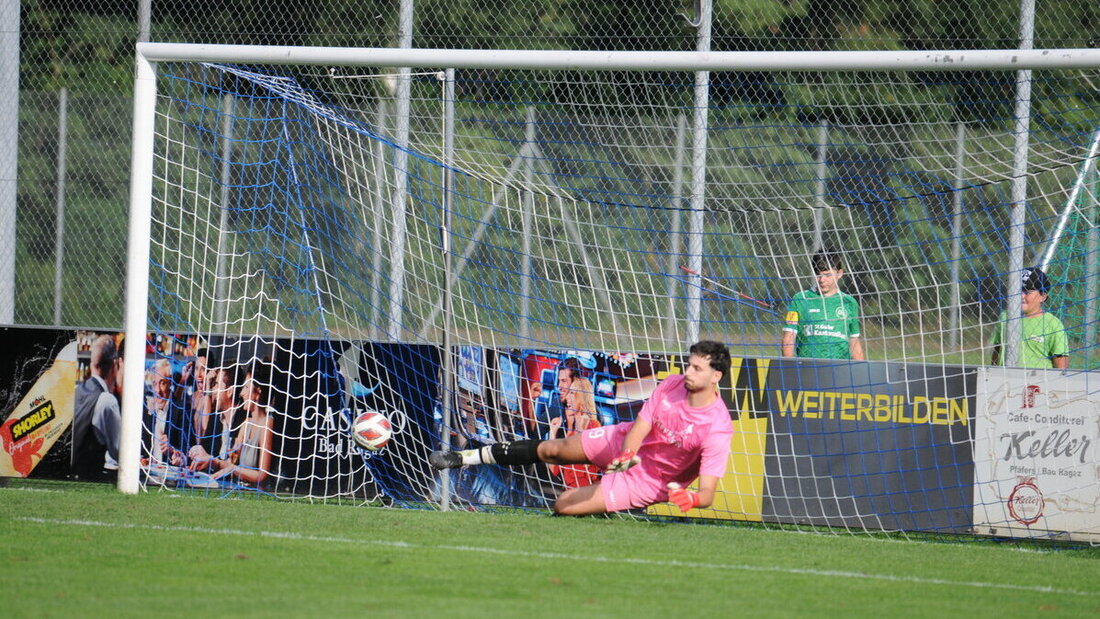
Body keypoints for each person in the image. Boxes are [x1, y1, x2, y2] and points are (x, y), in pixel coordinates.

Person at [429, 340, 733, 516]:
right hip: (623, 443)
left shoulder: (717, 429)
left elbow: (707, 493)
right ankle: (462, 458)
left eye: (697, 368)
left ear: (715, 377)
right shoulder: (672, 384)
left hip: (648, 481)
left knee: (563, 505)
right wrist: (626, 456)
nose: (688, 372)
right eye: (689, 364)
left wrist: (692, 499)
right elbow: (640, 427)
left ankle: (620, 507)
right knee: (553, 449)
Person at [781, 250, 865, 360]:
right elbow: (788, 337)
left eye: (827, 275)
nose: (822, 280)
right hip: (808, 365)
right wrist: (790, 366)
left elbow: (854, 340)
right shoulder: (800, 299)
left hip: (840, 366)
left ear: (839, 273)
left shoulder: (849, 302)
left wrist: (860, 367)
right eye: (818, 275)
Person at [208, 362, 275, 486]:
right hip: (240, 488)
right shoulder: (246, 423)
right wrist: (210, 462)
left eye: (246, 387)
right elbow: (231, 463)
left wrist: (233, 468)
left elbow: (262, 475)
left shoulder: (267, 423)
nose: (241, 393)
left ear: (258, 392)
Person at [990, 266, 1068, 369]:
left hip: (1036, 379)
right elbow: (997, 352)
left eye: (1027, 292)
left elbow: (1061, 367)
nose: (1021, 296)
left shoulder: (1053, 324)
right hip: (1005, 377)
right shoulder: (1005, 317)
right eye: (1018, 290)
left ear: (1043, 296)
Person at [71, 334, 121, 480]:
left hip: (69, 474)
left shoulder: (76, 391)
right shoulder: (107, 401)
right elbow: (120, 451)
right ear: (114, 365)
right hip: (90, 479)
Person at [547, 376, 602, 489]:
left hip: (587, 492)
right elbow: (554, 470)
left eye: (572, 393)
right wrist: (552, 433)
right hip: (570, 493)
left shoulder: (594, 427)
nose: (567, 398)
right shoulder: (570, 434)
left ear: (582, 396)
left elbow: (593, 468)